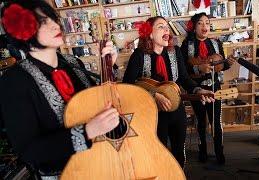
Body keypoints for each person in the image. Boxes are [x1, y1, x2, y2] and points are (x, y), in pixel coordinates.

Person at [0, 0, 120, 178]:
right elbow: (28, 150)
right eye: (42, 22)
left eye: (53, 18)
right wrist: (88, 131)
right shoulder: (14, 81)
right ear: (23, 31)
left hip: (101, 162)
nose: (55, 25)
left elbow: (99, 103)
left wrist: (110, 65)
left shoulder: (73, 63)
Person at [122, 16, 214, 168]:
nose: (166, 30)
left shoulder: (175, 52)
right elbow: (128, 86)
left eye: (167, 27)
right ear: (150, 34)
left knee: (179, 152)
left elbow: (184, 78)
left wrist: (198, 90)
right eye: (160, 27)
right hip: (152, 116)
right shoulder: (138, 55)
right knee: (158, 153)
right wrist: (153, 95)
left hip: (177, 111)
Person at [180, 13, 234, 164]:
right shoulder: (186, 45)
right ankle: (202, 150)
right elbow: (184, 70)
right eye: (200, 23)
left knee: (216, 122)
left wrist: (228, 63)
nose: (205, 26)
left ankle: (219, 152)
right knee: (201, 122)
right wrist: (199, 69)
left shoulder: (216, 43)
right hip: (197, 89)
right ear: (193, 27)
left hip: (214, 87)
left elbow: (221, 66)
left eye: (207, 23)